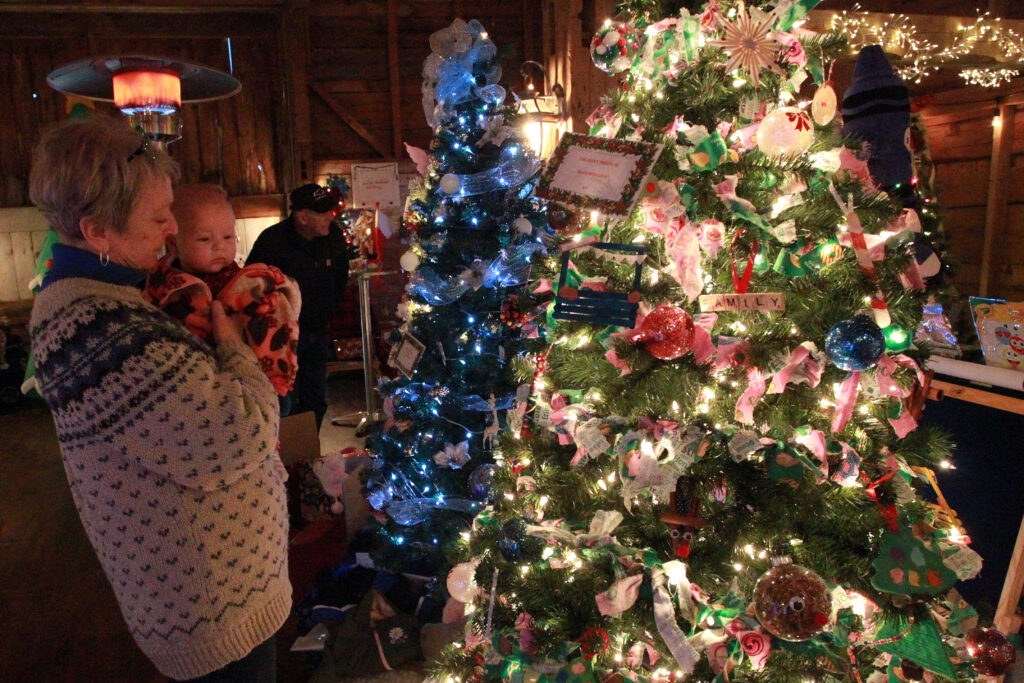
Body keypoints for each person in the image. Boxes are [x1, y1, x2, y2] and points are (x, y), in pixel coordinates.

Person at [28, 116, 290, 683]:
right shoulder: (95, 325)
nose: (172, 228)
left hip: (226, 601)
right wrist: (238, 347)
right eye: (157, 217)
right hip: (209, 615)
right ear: (97, 231)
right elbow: (238, 432)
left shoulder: (120, 296)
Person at [145, 183, 301, 399]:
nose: (219, 247)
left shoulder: (250, 283)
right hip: (189, 387)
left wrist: (275, 380)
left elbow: (277, 325)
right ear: (173, 245)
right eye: (205, 239)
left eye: (228, 237)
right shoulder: (161, 283)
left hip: (250, 385)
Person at [246, 183, 349, 429]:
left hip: (318, 332)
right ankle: (288, 459)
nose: (329, 216)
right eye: (322, 212)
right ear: (302, 216)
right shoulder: (271, 242)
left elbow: (341, 274)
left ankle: (309, 452)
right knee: (285, 401)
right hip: (282, 338)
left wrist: (330, 307)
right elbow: (250, 282)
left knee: (316, 399)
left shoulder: (333, 236)